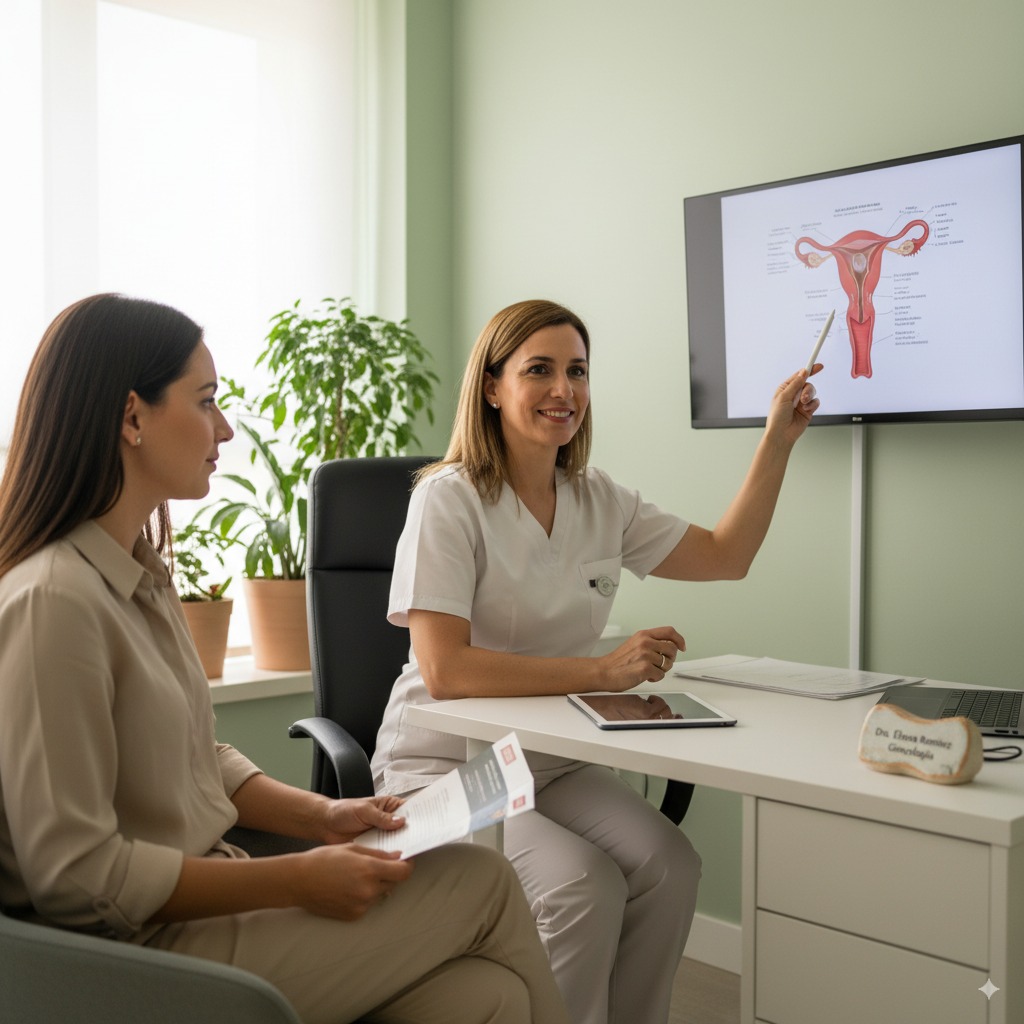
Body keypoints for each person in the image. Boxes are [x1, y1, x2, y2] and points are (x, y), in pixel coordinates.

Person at [0, 293, 570, 1024]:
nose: (226, 428)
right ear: (132, 417)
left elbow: (193, 756)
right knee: (482, 881)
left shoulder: (136, 576)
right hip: (137, 958)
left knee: (487, 998)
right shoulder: (53, 603)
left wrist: (326, 817)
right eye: (205, 402)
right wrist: (295, 881)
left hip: (201, 916)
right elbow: (76, 878)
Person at [370, 298, 822, 1024]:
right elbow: (448, 671)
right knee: (581, 884)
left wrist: (778, 440)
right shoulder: (446, 501)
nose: (564, 390)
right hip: (449, 767)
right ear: (491, 387)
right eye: (539, 370)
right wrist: (605, 671)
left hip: (553, 762)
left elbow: (726, 557)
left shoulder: (598, 499)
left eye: (576, 371)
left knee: (671, 866)